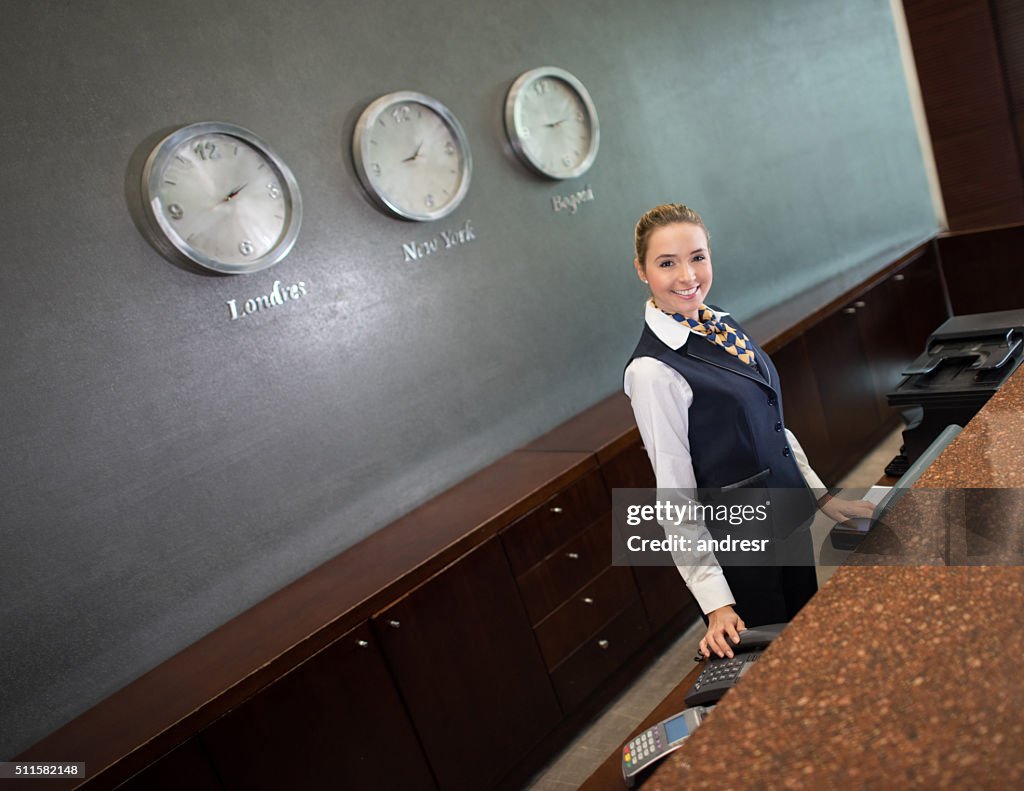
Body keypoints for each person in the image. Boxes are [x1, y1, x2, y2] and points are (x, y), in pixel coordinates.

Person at [624, 203, 874, 661]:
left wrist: (822, 497)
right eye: (667, 263)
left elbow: (771, 426)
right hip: (740, 557)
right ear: (641, 270)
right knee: (770, 680)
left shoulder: (718, 324)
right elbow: (675, 496)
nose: (687, 276)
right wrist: (716, 602)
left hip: (787, 523)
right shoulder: (652, 371)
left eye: (697, 256)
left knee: (808, 655)